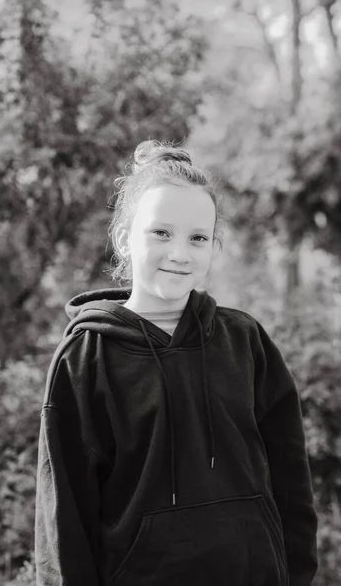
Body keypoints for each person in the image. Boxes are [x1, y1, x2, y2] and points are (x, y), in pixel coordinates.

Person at [35, 140, 318, 586]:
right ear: (125, 238)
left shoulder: (245, 341)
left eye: (198, 238)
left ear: (213, 246)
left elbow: (291, 478)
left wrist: (297, 573)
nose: (180, 254)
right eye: (161, 233)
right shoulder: (86, 358)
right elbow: (63, 516)